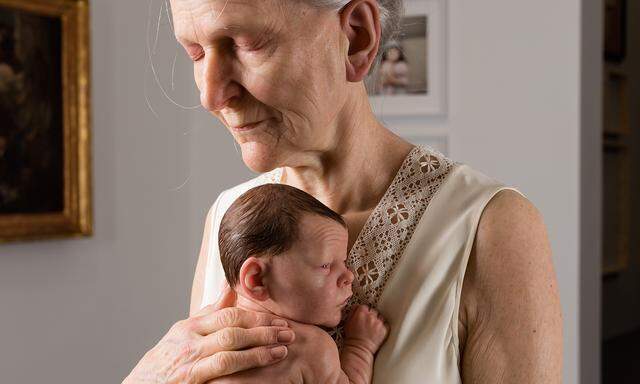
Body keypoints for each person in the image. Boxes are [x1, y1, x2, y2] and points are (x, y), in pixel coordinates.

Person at [124, 0, 563, 383]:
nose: (211, 94)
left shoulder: (490, 227)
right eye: (196, 53)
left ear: (355, 38)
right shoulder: (225, 216)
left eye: (246, 43)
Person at [215, 183, 388, 383]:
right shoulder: (309, 348)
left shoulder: (207, 342)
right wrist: (360, 346)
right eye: (325, 265)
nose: (349, 276)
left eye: (343, 262)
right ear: (257, 279)